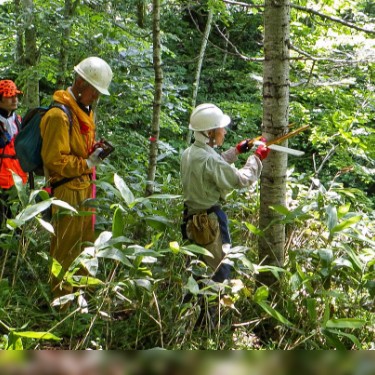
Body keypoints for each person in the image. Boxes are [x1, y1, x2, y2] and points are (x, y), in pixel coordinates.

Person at [40, 56, 113, 300]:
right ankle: (61, 300)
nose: (97, 97)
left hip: (84, 186)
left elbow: (78, 148)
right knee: (64, 249)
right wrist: (87, 163)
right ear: (81, 83)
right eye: (95, 91)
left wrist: (92, 153)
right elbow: (55, 160)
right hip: (66, 191)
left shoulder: (84, 111)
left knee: (83, 245)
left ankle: (80, 296)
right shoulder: (58, 116)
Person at [181, 103, 270, 283]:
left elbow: (215, 163)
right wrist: (256, 158)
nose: (225, 132)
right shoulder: (207, 159)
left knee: (197, 274)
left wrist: (236, 151)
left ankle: (197, 310)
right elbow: (241, 179)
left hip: (191, 221)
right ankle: (213, 310)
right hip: (208, 223)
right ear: (210, 132)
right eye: (221, 128)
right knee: (217, 275)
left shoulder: (190, 152)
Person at [0, 80, 28, 228]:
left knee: (17, 227)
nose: (14, 99)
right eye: (10, 96)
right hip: (1, 182)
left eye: (15, 95)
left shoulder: (19, 121)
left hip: (18, 183)